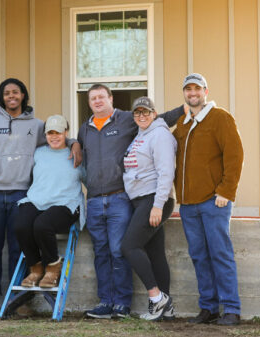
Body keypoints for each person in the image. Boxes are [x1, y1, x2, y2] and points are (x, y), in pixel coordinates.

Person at [0, 78, 81, 315]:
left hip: (21, 193)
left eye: (16, 92)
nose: (11, 96)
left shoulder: (36, 125)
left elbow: (57, 140)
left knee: (17, 245)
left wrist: (74, 143)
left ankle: (19, 300)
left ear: (23, 95)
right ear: (2, 97)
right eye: (7, 93)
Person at [78, 84, 184, 319]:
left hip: (131, 199)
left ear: (111, 98)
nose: (97, 101)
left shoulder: (139, 125)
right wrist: (72, 144)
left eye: (101, 97)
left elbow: (166, 170)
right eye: (92, 98)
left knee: (124, 248)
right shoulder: (85, 129)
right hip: (104, 199)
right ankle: (159, 306)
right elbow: (80, 151)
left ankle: (143, 300)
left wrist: (186, 107)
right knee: (146, 253)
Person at [174, 73, 244, 326]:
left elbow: (235, 156)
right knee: (199, 256)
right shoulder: (182, 123)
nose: (192, 93)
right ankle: (208, 308)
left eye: (197, 89)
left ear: (205, 91)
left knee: (220, 254)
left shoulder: (220, 118)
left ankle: (232, 310)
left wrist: (226, 191)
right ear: (184, 93)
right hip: (188, 204)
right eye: (188, 89)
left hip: (214, 203)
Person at [120, 97, 177, 321]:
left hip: (153, 199)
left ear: (154, 113)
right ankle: (167, 308)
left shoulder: (160, 135)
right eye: (137, 113)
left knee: (129, 246)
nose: (141, 116)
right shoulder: (141, 135)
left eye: (146, 112)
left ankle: (156, 298)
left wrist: (158, 205)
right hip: (143, 200)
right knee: (155, 253)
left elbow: (166, 172)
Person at [14, 115, 85, 289]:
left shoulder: (76, 153)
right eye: (50, 133)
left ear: (66, 133)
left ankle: (53, 267)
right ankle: (36, 267)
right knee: (21, 225)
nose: (54, 137)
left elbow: (89, 178)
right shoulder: (38, 153)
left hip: (66, 202)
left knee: (41, 225)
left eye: (58, 132)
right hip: (38, 198)